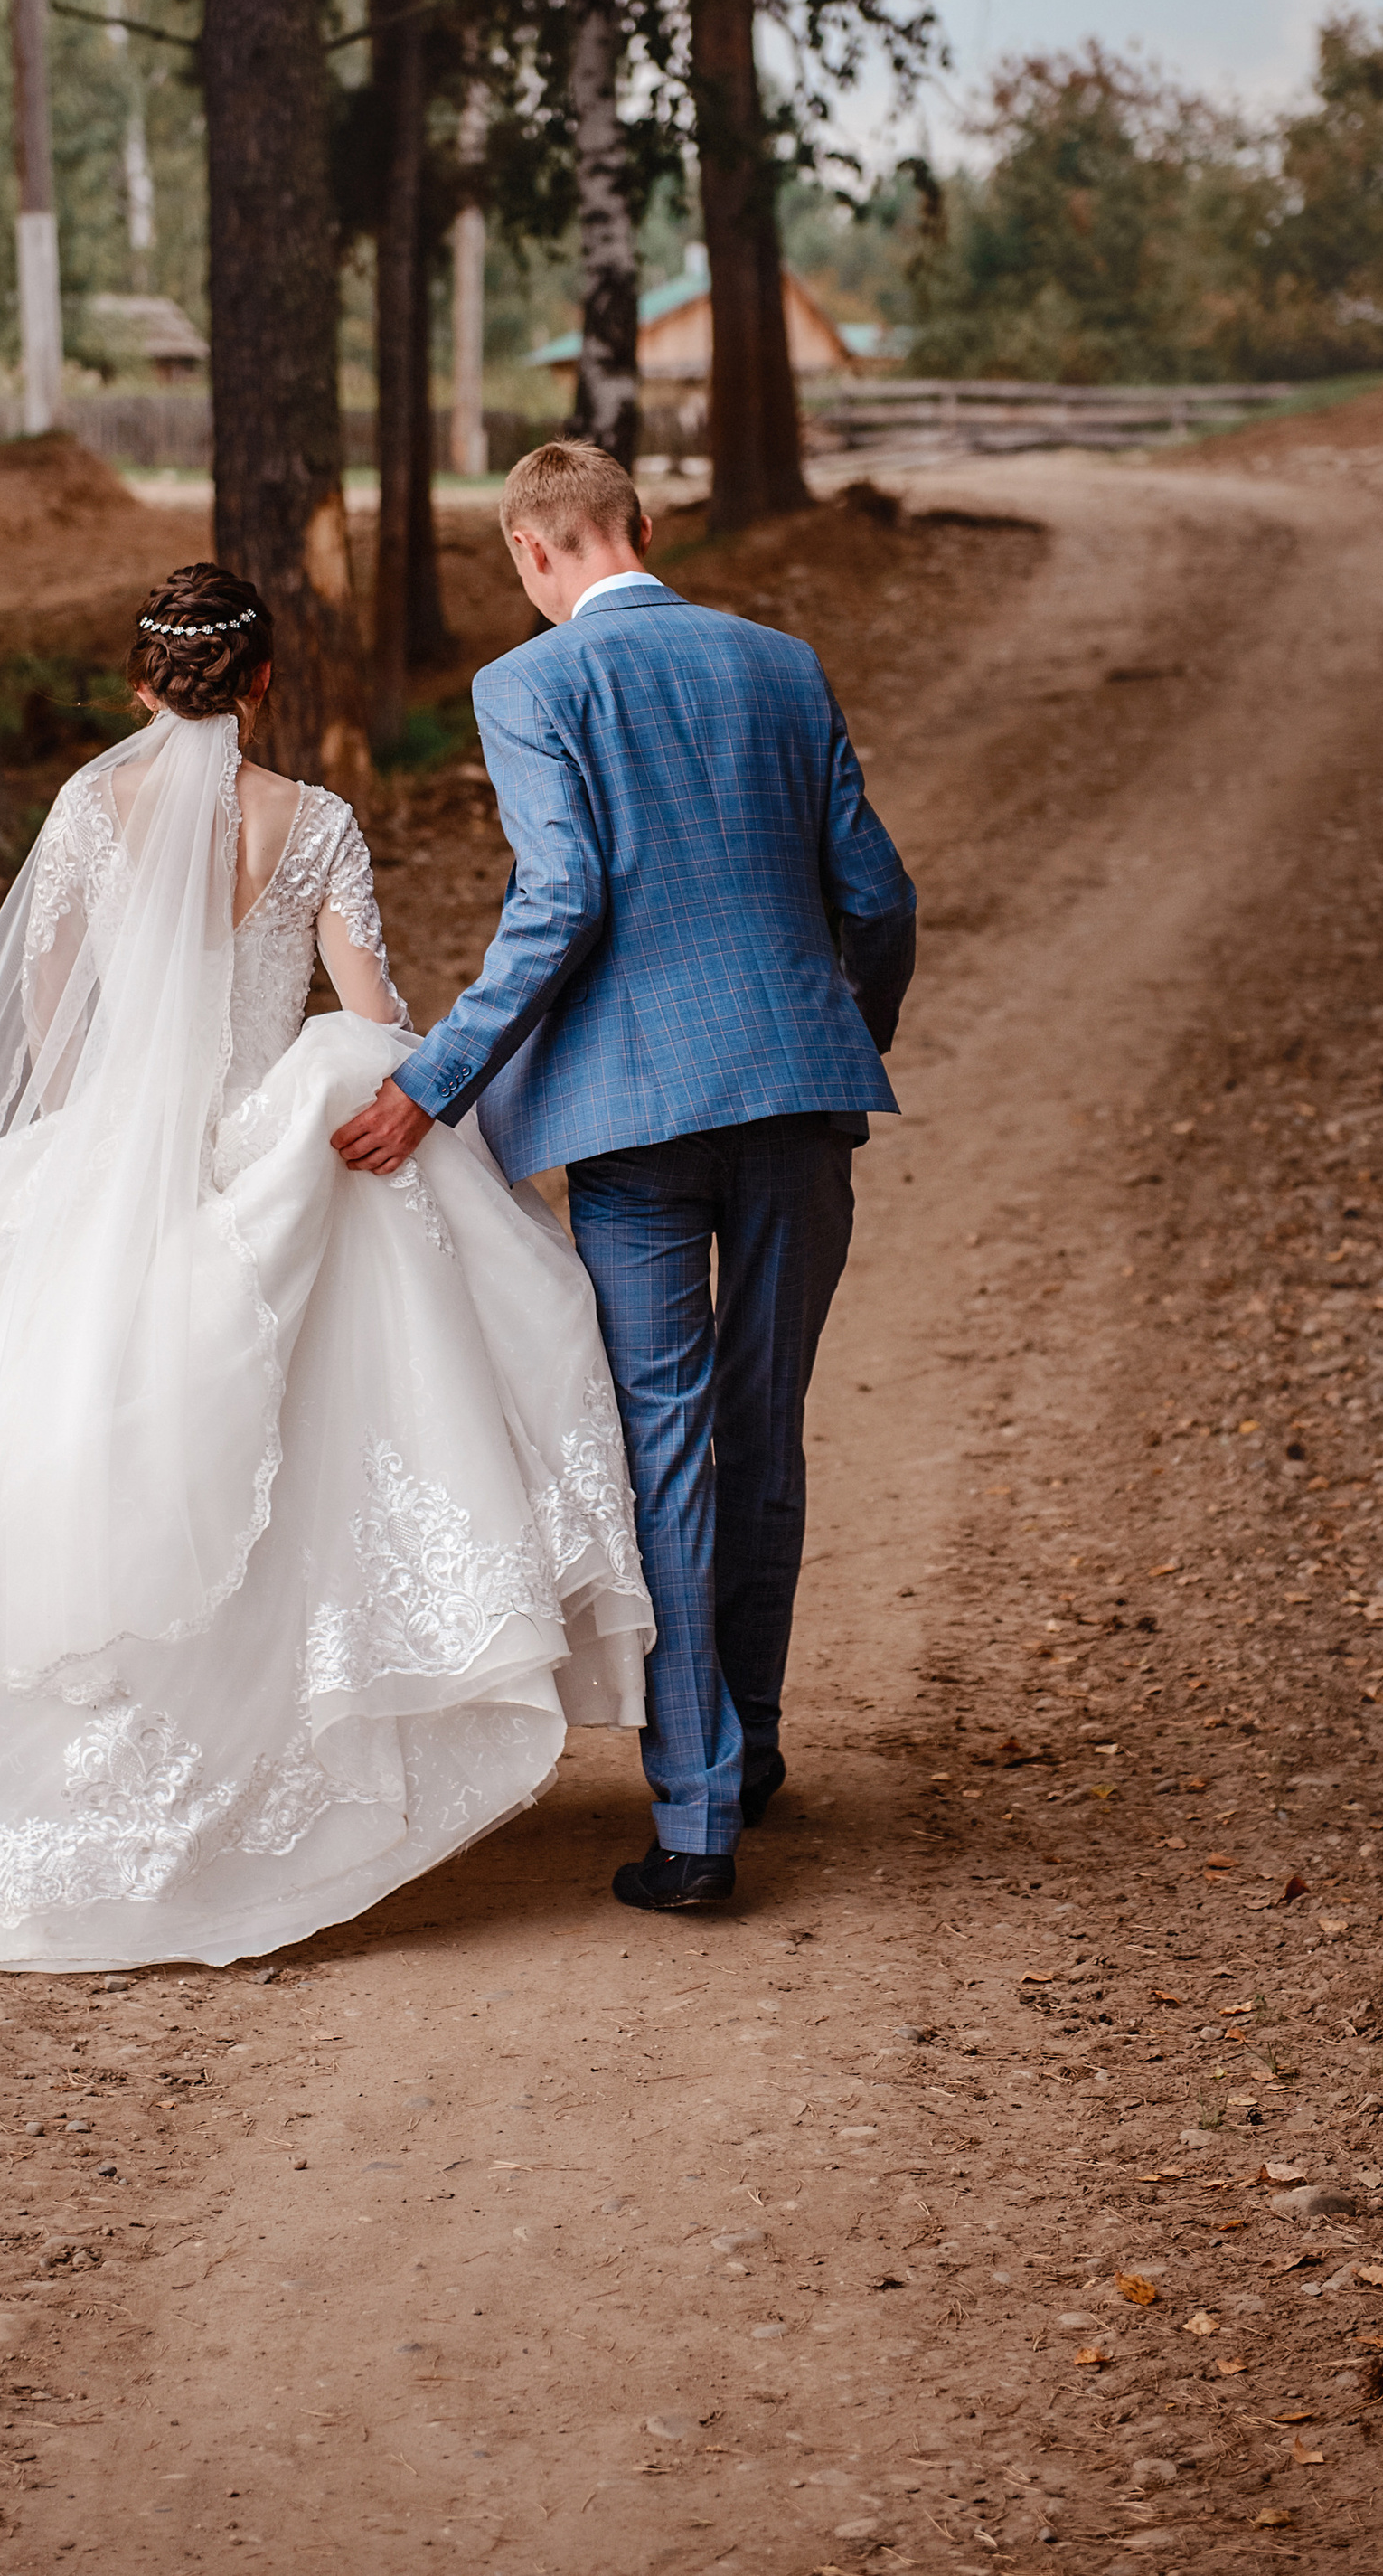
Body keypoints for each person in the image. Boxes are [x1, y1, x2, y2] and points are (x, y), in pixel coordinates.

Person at [0, 563, 652, 1971]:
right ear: (265, 681)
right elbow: (373, 1017)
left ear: (143, 682)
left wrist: (95, 1146)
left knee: (37, 1436)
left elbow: (47, 1025)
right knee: (316, 1419)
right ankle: (276, 1773)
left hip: (109, 1157)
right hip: (264, 1145)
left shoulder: (90, 812)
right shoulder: (317, 821)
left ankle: (51, 1788)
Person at [334, 442, 915, 1912]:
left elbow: (566, 897)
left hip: (637, 1121)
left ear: (533, 557)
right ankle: (757, 1744)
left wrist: (430, 1080)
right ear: (641, 527)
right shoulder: (782, 663)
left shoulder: (530, 686)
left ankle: (700, 1814)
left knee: (666, 1442)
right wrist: (835, 1036)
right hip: (798, 1097)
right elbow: (879, 894)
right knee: (763, 1429)